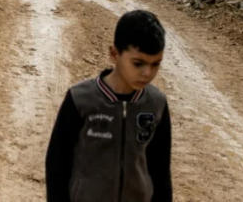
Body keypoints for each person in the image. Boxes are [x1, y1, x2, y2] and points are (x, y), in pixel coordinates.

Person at [46, 10, 171, 202]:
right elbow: (57, 164)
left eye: (155, 64)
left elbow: (160, 170)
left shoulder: (156, 103)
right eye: (138, 63)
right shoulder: (80, 99)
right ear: (114, 54)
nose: (147, 72)